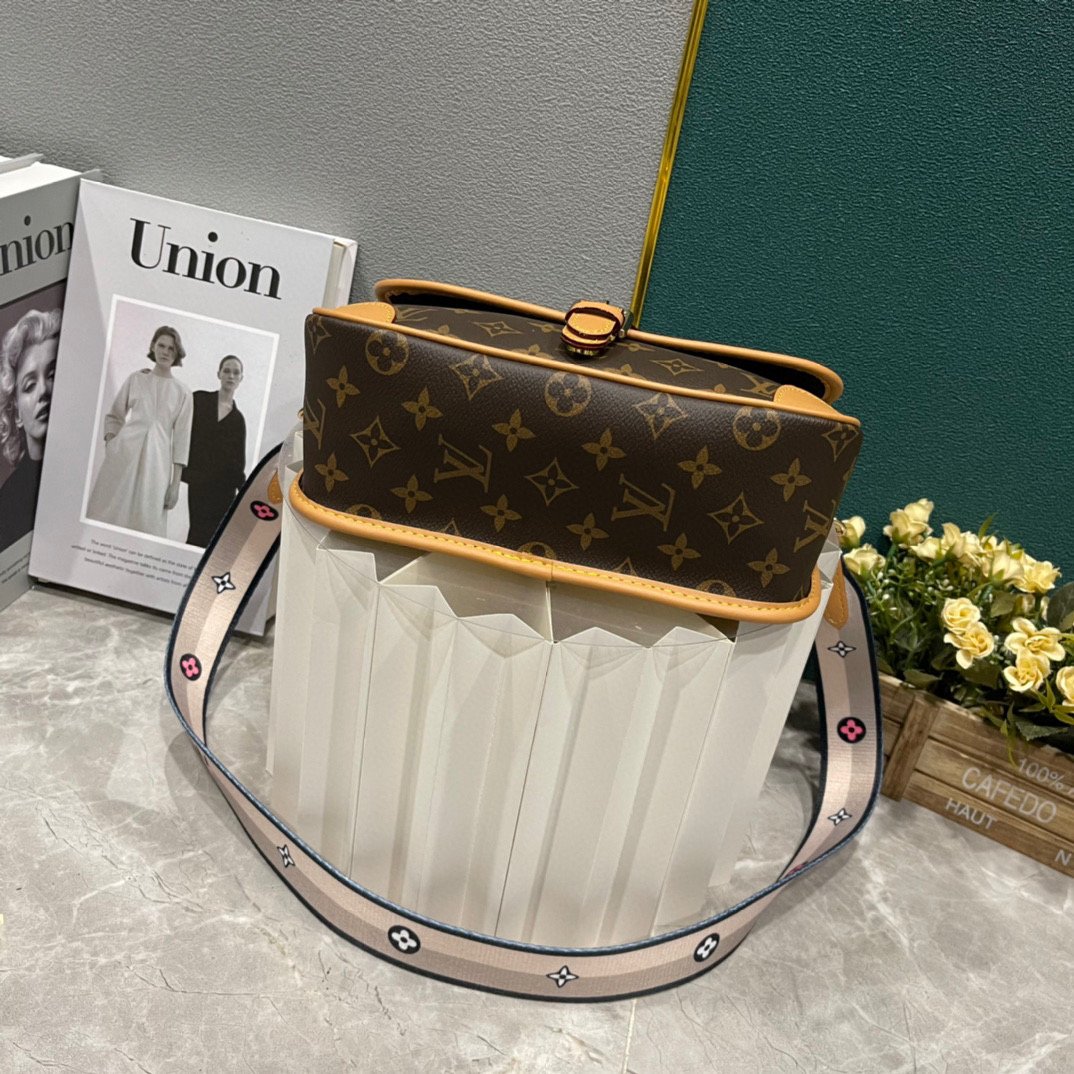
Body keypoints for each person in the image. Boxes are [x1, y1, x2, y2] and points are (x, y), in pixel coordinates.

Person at [86, 325, 193, 537]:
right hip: (123, 457)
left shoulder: (183, 392)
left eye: (171, 348)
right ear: (153, 347)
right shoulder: (136, 379)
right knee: (107, 516)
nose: (165, 352)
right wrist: (111, 444)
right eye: (161, 345)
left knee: (147, 524)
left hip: (157, 464)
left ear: (177, 353)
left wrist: (175, 486)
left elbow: (182, 440)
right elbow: (115, 415)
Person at [0, 307, 61, 550]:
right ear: (16, 413)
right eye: (29, 385)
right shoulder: (7, 502)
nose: (44, 390)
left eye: (53, 375)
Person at [182, 354, 247, 547]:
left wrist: (245, 492)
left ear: (241, 378)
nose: (231, 376)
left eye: (236, 372)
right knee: (196, 534)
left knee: (215, 541)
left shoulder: (238, 420)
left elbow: (238, 462)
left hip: (224, 490)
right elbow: (177, 420)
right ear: (219, 374)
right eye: (226, 371)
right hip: (199, 482)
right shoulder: (199, 400)